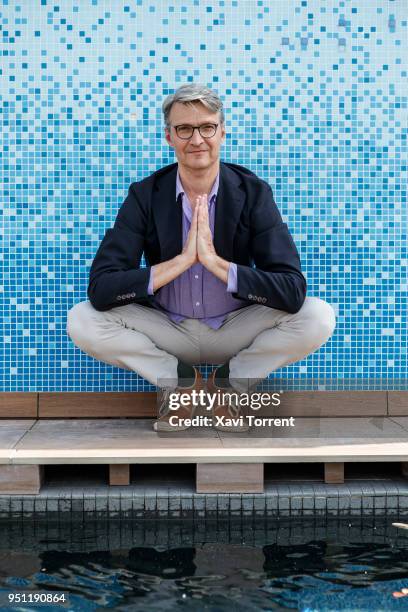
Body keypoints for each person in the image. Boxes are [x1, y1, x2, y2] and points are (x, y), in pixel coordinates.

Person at [66, 83, 336, 433]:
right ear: (169, 137)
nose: (197, 140)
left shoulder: (253, 193)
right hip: (168, 328)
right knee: (83, 319)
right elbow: (101, 288)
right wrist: (177, 264)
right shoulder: (145, 195)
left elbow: (291, 289)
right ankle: (180, 383)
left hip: (232, 327)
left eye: (207, 127)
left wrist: (217, 265)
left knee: (317, 315)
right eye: (184, 129)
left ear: (222, 131)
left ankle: (229, 385)